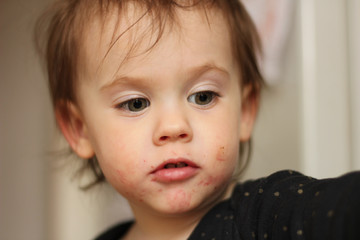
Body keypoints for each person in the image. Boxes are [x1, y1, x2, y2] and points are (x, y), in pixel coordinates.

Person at [35, 0, 360, 239]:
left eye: (202, 97)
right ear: (80, 130)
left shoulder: (270, 216)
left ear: (245, 111)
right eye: (135, 103)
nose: (174, 127)